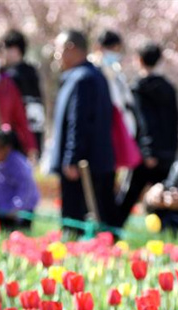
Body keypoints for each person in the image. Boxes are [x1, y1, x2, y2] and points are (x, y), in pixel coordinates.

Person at [49, 30, 116, 230]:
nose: (56, 55)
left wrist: (71, 157)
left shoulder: (82, 79)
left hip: (82, 166)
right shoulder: (92, 75)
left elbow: (78, 122)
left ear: (70, 48)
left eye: (58, 49)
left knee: (75, 220)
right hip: (93, 162)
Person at [115, 42, 178, 227]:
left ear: (139, 60)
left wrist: (148, 151)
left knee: (128, 197)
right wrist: (172, 150)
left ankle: (111, 233)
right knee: (165, 198)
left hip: (146, 154)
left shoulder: (139, 88)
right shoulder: (169, 88)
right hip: (167, 152)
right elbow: (176, 121)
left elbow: (144, 121)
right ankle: (171, 234)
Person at [0, 126, 39, 229]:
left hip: (19, 212)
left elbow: (26, 188)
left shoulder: (18, 164)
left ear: (7, 148)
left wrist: (16, 207)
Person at [2, 29, 46, 154]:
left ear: (14, 50)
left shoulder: (11, 76)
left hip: (19, 135)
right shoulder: (32, 72)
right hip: (36, 131)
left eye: (4, 49)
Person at [92, 30, 139, 137]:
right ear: (99, 48)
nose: (115, 54)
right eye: (112, 49)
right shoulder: (92, 72)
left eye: (117, 50)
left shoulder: (117, 73)